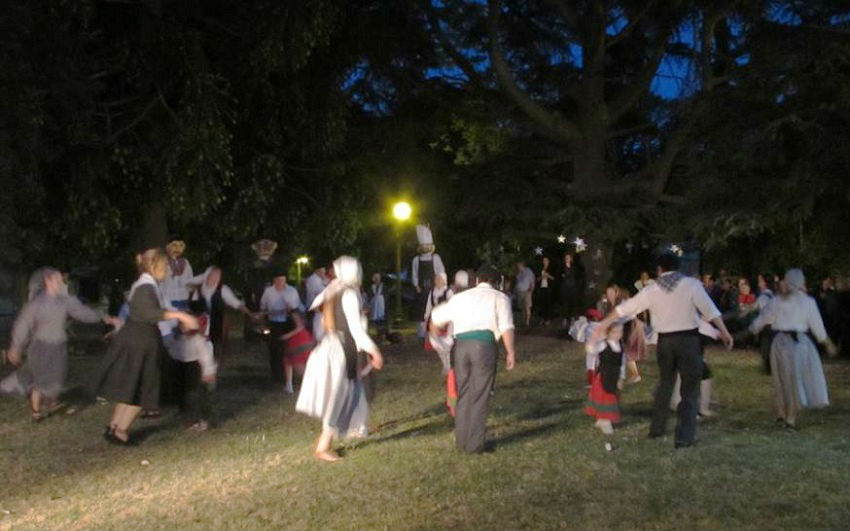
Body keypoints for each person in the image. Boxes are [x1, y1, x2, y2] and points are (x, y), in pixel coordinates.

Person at [592, 253, 733, 448]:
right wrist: (724, 333)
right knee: (689, 389)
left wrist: (603, 324)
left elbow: (625, 309)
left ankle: (657, 429)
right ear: (678, 267)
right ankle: (684, 436)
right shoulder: (691, 285)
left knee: (666, 384)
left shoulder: (653, 289)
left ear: (659, 270)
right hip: (689, 341)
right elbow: (711, 311)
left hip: (665, 342)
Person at [94, 249, 199, 445]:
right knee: (142, 387)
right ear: (154, 266)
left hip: (139, 339)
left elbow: (159, 308)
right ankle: (121, 431)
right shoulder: (145, 287)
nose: (167, 270)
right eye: (165, 266)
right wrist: (181, 316)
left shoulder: (148, 285)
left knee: (131, 386)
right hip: (140, 341)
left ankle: (114, 427)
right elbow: (150, 313)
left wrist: (179, 315)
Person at [295, 256, 384, 461]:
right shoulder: (349, 292)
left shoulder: (335, 288)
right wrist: (374, 350)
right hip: (342, 348)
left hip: (333, 345)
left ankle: (351, 428)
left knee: (352, 391)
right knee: (342, 395)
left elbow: (318, 307)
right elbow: (354, 328)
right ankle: (323, 445)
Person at [3, 268, 120, 421]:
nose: (61, 283)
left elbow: (83, 312)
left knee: (56, 378)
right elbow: (22, 325)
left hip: (58, 346)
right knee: (41, 379)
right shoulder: (36, 304)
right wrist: (15, 347)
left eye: (61, 281)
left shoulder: (64, 301)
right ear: (48, 282)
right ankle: (36, 412)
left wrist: (105, 318)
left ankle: (51, 399)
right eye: (57, 280)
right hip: (40, 347)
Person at [430, 265, 517, 453]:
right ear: (495, 282)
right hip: (483, 346)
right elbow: (506, 327)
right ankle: (475, 445)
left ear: (476, 280)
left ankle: (462, 440)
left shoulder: (460, 298)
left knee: (464, 394)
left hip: (460, 347)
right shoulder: (500, 298)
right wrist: (510, 351)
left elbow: (436, 317)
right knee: (480, 395)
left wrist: (437, 337)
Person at [749, 269, 837, 429]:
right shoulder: (801, 301)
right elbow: (818, 328)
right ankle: (785, 414)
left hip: (788, 343)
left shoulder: (784, 301)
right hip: (794, 343)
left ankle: (788, 415)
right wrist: (827, 344)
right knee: (788, 379)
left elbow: (763, 319)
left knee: (784, 378)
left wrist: (753, 328)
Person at [189, 266, 254, 365]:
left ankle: (212, 370)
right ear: (207, 276)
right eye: (213, 276)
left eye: (218, 277)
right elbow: (192, 307)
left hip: (217, 325)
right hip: (201, 326)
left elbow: (235, 303)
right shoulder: (198, 290)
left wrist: (249, 313)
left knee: (215, 350)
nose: (215, 279)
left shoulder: (223, 289)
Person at [259, 270, 304, 387]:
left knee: (288, 348)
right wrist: (264, 317)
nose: (280, 282)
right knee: (274, 347)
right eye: (278, 280)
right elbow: (263, 305)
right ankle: (276, 373)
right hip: (274, 321)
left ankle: (288, 375)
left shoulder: (291, 291)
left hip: (288, 321)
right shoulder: (269, 291)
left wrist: (289, 309)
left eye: (282, 280)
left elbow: (296, 306)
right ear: (274, 280)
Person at [584, 320, 626, 434]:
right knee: (605, 398)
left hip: (614, 376)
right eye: (615, 332)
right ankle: (604, 420)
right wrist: (593, 341)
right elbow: (591, 350)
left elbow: (622, 363)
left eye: (620, 332)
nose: (618, 334)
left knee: (613, 396)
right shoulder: (603, 345)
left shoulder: (621, 347)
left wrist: (622, 377)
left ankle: (603, 419)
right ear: (608, 333)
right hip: (603, 377)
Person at [411, 224, 446, 339]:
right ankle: (422, 335)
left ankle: (435, 333)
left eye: (427, 245)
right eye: (423, 246)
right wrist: (417, 287)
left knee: (435, 312)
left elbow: (441, 273)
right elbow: (414, 275)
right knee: (421, 313)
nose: (425, 248)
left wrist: (439, 287)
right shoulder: (416, 260)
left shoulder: (436, 258)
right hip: (422, 290)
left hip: (434, 289)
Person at [424, 272, 453, 351]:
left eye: (439, 279)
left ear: (444, 281)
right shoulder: (432, 292)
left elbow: (451, 305)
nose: (436, 281)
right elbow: (429, 305)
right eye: (436, 279)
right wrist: (427, 316)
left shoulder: (448, 292)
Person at [559, 252, 584, 327]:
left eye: (568, 257)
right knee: (565, 304)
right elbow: (559, 276)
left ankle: (574, 318)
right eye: (566, 258)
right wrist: (562, 276)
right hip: (565, 288)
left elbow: (579, 276)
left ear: (571, 259)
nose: (567, 259)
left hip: (573, 288)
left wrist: (577, 284)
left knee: (574, 303)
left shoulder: (575, 267)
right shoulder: (562, 267)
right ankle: (565, 319)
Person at [514, 261, 535, 328]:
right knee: (522, 307)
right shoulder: (519, 273)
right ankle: (523, 320)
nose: (518, 267)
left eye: (519, 266)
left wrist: (531, 290)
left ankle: (527, 322)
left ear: (522, 265)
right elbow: (517, 282)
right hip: (520, 292)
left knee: (527, 306)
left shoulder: (528, 271)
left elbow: (532, 281)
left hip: (527, 291)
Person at [368, 272, 387, 340]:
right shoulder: (371, 287)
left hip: (382, 306)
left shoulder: (383, 287)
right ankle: (378, 334)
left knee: (382, 321)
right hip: (374, 305)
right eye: (375, 278)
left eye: (377, 278)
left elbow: (386, 296)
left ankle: (382, 334)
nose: (376, 279)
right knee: (376, 321)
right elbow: (369, 296)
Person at [536, 257, 555, 325]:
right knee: (542, 304)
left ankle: (548, 319)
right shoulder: (540, 269)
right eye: (543, 260)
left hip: (548, 288)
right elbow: (537, 279)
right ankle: (542, 318)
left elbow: (554, 278)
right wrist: (541, 276)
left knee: (548, 303)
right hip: (541, 288)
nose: (544, 262)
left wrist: (548, 276)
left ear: (548, 261)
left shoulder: (551, 269)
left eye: (546, 260)